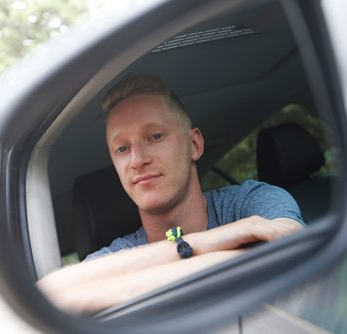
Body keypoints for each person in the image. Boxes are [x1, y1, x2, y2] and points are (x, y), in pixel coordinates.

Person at [37, 74, 304, 314]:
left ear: (194, 144)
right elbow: (48, 294)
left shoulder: (252, 202)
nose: (137, 160)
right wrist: (196, 244)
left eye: (154, 136)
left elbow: (292, 245)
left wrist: (129, 285)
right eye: (122, 149)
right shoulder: (120, 253)